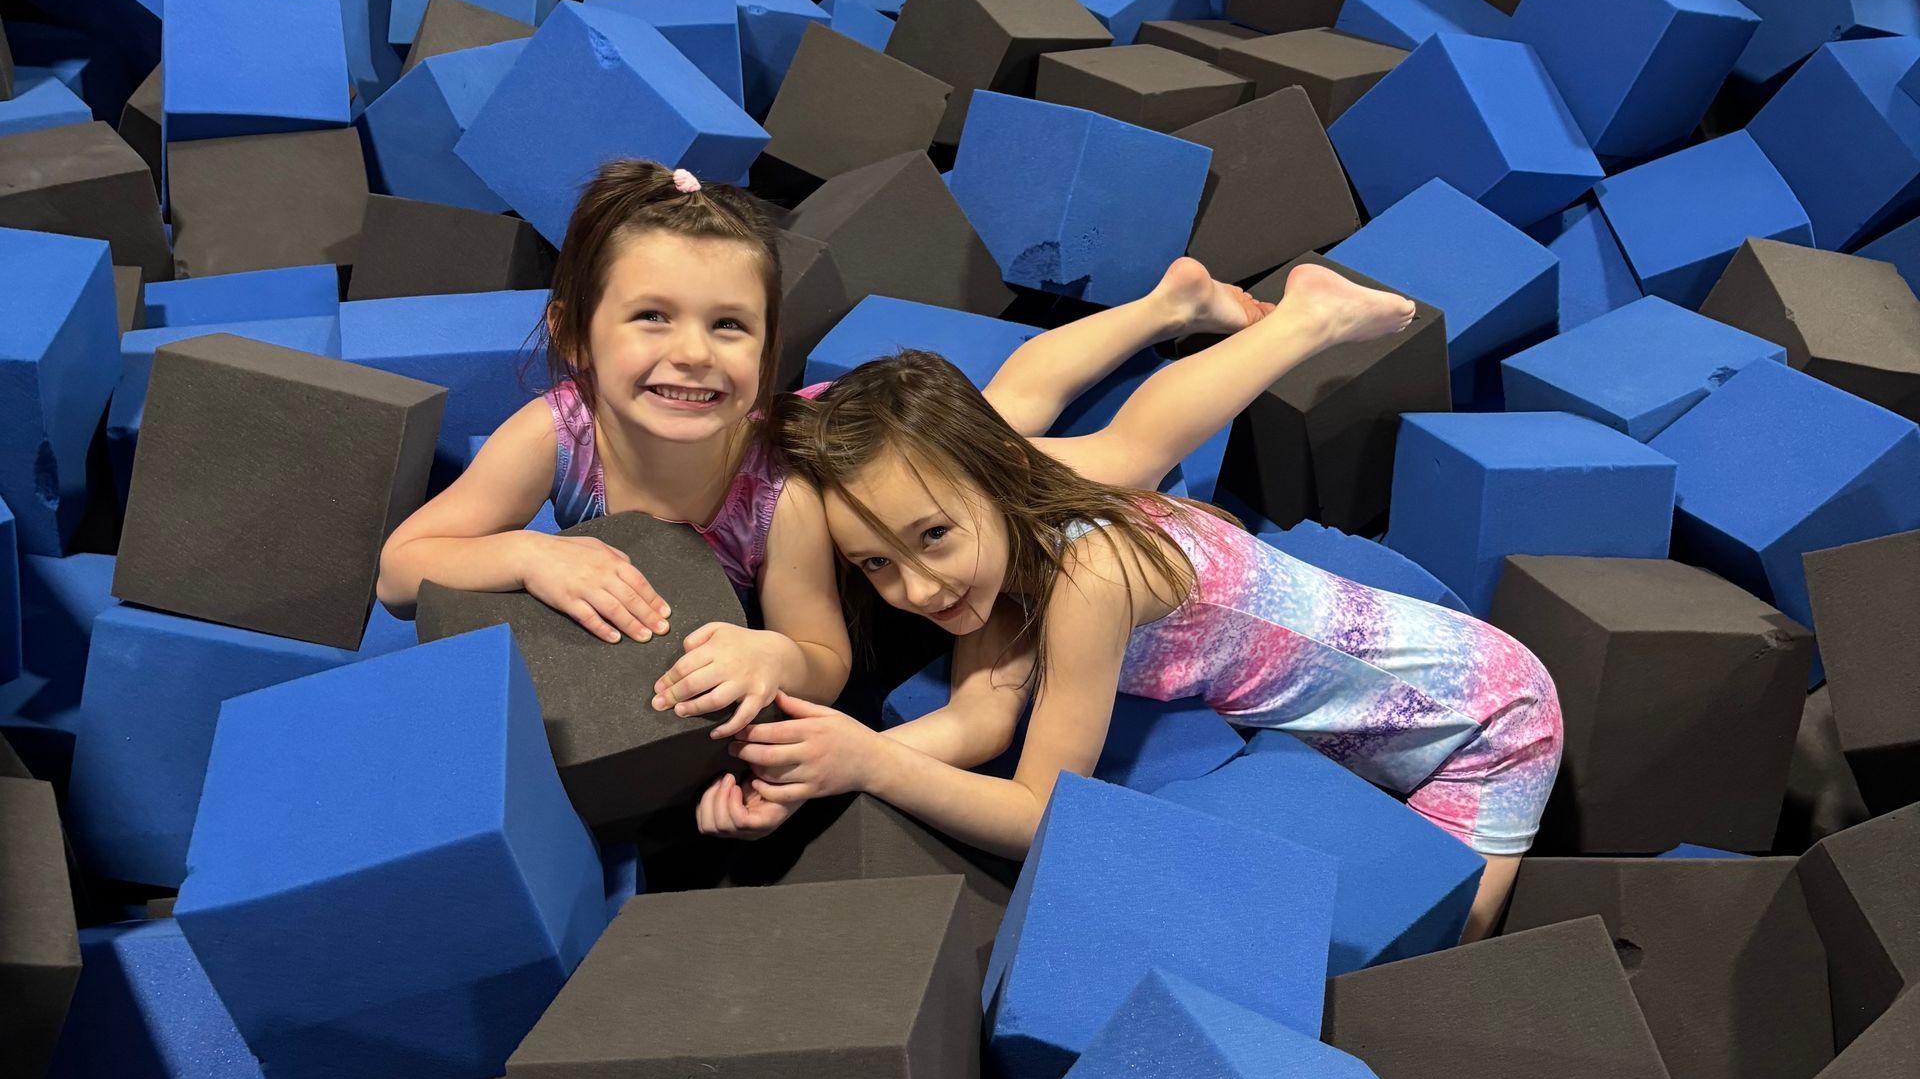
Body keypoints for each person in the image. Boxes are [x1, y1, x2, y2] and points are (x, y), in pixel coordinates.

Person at [694, 263, 1563, 937]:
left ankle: (1309, 316)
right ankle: (1223, 306)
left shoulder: (1090, 578)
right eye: (875, 567)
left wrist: (873, 762)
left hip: (1486, 721)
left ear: (995, 479)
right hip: (1355, 717)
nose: (916, 591)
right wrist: (808, 768)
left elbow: (1040, 812)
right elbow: (980, 719)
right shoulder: (1004, 528)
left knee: (1430, 939)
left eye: (931, 539)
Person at [377, 160, 853, 741]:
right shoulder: (560, 432)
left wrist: (779, 657)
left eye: (729, 324)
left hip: (692, 722)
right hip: (591, 696)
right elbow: (396, 577)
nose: (694, 353)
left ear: (767, 346)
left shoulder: (781, 497)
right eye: (652, 316)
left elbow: (826, 658)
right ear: (576, 335)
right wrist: (528, 555)